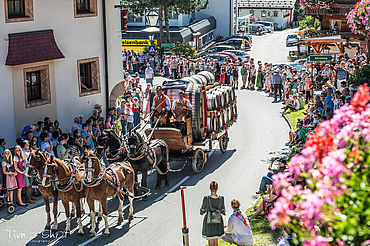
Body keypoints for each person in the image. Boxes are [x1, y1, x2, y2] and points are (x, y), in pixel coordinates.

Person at [200, 181, 226, 246]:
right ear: (217, 188)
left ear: (210, 188)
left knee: (210, 241)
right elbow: (223, 211)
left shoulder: (206, 199)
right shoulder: (221, 199)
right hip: (218, 221)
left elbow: (202, 212)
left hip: (209, 222)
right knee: (216, 242)